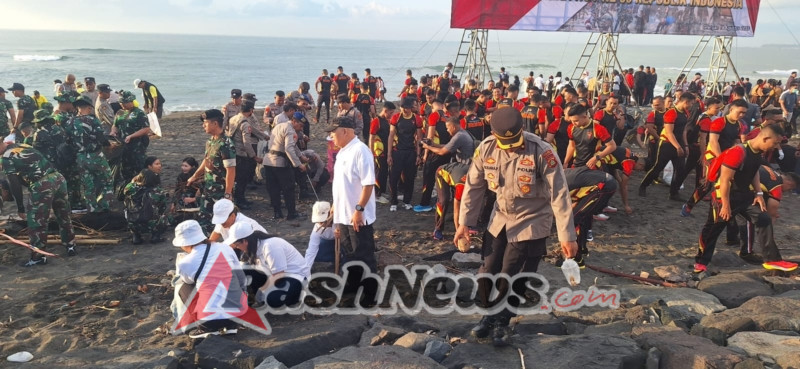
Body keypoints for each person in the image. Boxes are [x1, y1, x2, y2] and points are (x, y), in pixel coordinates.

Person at [454, 108, 577, 347]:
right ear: (494, 134)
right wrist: (464, 223)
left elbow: (560, 194)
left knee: (513, 272)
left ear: (522, 129)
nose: (511, 148)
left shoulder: (542, 151)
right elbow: (473, 186)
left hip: (531, 220)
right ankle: (490, 315)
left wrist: (567, 235)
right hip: (500, 218)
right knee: (488, 269)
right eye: (505, 143)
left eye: (515, 142)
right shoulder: (486, 148)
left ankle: (502, 320)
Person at [694, 124, 797, 273]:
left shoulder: (758, 152)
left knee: (763, 218)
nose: (775, 147)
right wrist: (725, 205)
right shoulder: (738, 151)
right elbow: (725, 179)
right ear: (765, 138)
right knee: (713, 229)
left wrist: (759, 194)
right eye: (775, 143)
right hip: (725, 196)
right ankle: (701, 262)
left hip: (744, 195)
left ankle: (772, 260)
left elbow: (754, 172)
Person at [327, 116, 379, 306]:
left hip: (358, 214)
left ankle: (371, 294)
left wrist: (359, 209)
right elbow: (341, 183)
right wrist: (335, 205)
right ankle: (354, 284)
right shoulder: (342, 152)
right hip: (343, 213)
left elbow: (368, 183)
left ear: (345, 131)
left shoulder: (360, 150)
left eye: (333, 133)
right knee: (349, 253)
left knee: (363, 253)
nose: (331, 137)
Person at [0, 137, 76, 266]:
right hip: (58, 178)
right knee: (63, 215)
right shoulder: (23, 146)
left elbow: (14, 184)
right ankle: (70, 245)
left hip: (42, 184)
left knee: (37, 222)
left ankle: (38, 257)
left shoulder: (7, 158)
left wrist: (20, 208)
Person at [171, 220, 246, 338]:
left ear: (184, 244)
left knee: (182, 285)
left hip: (209, 321)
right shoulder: (225, 248)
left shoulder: (185, 262)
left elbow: (188, 282)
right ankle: (230, 325)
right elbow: (241, 278)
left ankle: (200, 326)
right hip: (238, 314)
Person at [225, 222, 309, 308]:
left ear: (245, 241)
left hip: (294, 277)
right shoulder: (253, 246)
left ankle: (295, 297)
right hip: (273, 274)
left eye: (237, 245)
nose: (237, 247)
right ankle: (256, 296)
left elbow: (279, 275)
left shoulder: (270, 246)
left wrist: (262, 290)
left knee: (272, 299)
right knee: (245, 269)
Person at [421, 116, 475, 240]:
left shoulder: (459, 136)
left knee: (460, 202)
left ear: (453, 127)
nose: (446, 130)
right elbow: (448, 146)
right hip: (445, 173)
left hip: (459, 172)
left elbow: (442, 152)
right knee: (444, 200)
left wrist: (427, 147)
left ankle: (464, 225)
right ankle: (438, 228)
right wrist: (433, 144)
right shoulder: (463, 133)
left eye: (447, 128)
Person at [186, 109, 236, 233]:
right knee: (204, 221)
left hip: (220, 191)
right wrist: (195, 176)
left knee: (224, 223)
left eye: (205, 123)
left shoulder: (226, 144)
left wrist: (228, 194)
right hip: (208, 188)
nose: (203, 125)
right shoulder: (210, 141)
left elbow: (231, 171)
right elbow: (207, 160)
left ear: (215, 123)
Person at [639, 92, 695, 200]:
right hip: (666, 144)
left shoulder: (686, 113)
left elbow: (683, 131)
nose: (691, 106)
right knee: (658, 167)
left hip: (679, 143)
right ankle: (643, 186)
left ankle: (673, 193)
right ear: (686, 102)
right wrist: (678, 147)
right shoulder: (671, 113)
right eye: (691, 103)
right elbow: (669, 132)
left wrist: (685, 145)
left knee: (680, 169)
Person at [67, 96, 113, 213]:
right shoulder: (92, 120)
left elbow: (68, 141)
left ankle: (92, 209)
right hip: (96, 156)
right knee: (107, 181)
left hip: (80, 158)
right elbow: (101, 137)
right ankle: (105, 205)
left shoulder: (70, 122)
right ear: (88, 107)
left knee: (88, 185)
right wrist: (109, 145)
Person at [263, 110, 306, 220]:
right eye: (300, 125)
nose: (301, 129)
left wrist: (300, 156)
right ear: (294, 121)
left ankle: (277, 213)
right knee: (288, 188)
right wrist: (298, 164)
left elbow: (293, 146)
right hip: (280, 163)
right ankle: (292, 213)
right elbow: (289, 148)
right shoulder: (290, 130)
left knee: (274, 188)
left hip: (268, 161)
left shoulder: (279, 126)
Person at [387, 98, 424, 211]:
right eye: (402, 107)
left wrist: (418, 155)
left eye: (407, 108)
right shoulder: (396, 117)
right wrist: (389, 154)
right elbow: (391, 135)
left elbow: (419, 138)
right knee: (393, 178)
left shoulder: (416, 119)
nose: (404, 110)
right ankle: (394, 202)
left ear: (411, 108)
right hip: (397, 151)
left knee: (410, 178)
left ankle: (407, 201)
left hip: (410, 152)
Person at [226, 101, 263, 209]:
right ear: (251, 110)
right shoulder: (245, 123)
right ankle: (240, 200)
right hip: (241, 153)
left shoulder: (233, 118)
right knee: (242, 179)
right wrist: (254, 156)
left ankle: (238, 199)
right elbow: (247, 143)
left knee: (236, 178)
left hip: (233, 151)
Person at [111, 91, 152, 188]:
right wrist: (113, 132)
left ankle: (143, 187)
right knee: (125, 168)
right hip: (123, 146)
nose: (123, 105)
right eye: (121, 103)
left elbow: (146, 129)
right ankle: (128, 187)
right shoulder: (120, 112)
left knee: (140, 168)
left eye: (125, 103)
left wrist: (131, 136)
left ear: (131, 102)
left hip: (137, 146)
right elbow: (115, 125)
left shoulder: (139, 113)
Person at [123, 168, 169, 244]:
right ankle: (155, 236)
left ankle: (136, 237)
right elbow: (163, 207)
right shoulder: (158, 191)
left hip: (134, 222)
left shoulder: (131, 189)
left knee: (128, 209)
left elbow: (125, 190)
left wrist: (133, 181)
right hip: (151, 223)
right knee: (165, 216)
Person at [369, 102, 395, 203]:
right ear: (385, 111)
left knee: (384, 172)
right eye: (391, 113)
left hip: (386, 150)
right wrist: (371, 153)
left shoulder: (387, 121)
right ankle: (376, 194)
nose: (392, 115)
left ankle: (382, 191)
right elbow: (371, 138)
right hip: (378, 151)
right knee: (378, 172)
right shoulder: (376, 121)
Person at [305, 201, 336, 269]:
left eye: (322, 220)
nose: (320, 223)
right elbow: (311, 250)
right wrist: (306, 269)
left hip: (340, 245)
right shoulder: (317, 228)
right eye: (319, 221)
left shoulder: (339, 222)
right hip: (326, 245)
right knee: (317, 253)